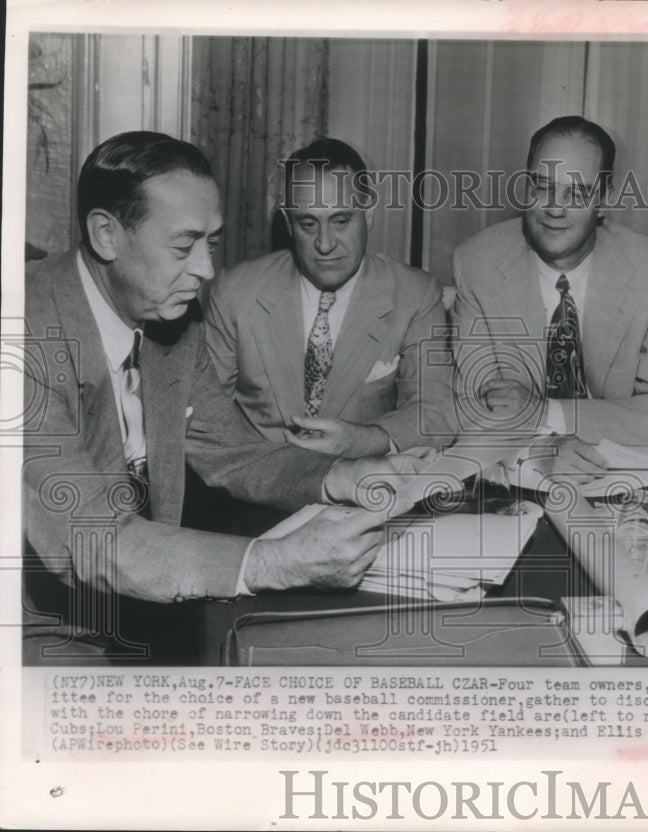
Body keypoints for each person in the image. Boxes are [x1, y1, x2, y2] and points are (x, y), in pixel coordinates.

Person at [22, 131, 413, 632]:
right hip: (39, 632)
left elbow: (235, 452)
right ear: (106, 235)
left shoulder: (171, 319)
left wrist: (341, 476)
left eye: (211, 242)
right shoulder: (23, 333)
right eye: (184, 246)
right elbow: (93, 540)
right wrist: (273, 562)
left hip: (146, 608)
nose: (205, 269)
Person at [451, 116, 648, 479]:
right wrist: (539, 451)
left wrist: (544, 412)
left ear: (604, 200)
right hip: (515, 474)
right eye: (542, 188)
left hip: (616, 474)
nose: (555, 209)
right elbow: (471, 408)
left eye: (576, 193)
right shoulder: (477, 263)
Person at [204, 138, 455, 459]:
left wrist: (365, 440)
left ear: (368, 216)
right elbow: (204, 417)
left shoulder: (416, 294)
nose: (324, 244)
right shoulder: (235, 291)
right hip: (255, 492)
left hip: (365, 488)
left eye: (341, 221)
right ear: (288, 226)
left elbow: (433, 412)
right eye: (308, 224)